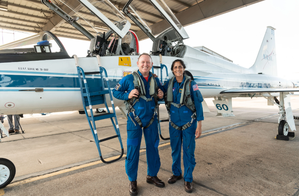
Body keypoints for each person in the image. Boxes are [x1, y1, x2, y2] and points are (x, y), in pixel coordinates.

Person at [112, 53, 165, 196]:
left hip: (151, 120)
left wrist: (161, 95)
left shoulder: (155, 79)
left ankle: (152, 175)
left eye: (148, 62)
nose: (145, 65)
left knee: (153, 148)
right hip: (134, 120)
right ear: (138, 63)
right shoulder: (129, 79)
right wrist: (127, 95)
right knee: (133, 150)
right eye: (143, 62)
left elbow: (162, 92)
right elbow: (115, 92)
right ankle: (132, 180)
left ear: (151, 64)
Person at [163, 59, 204, 193]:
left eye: (180, 67)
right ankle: (176, 173)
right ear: (173, 70)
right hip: (174, 123)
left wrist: (199, 125)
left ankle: (188, 178)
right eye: (175, 67)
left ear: (183, 68)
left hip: (189, 123)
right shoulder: (169, 84)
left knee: (188, 151)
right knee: (175, 150)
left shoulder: (192, 84)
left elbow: (198, 105)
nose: (178, 69)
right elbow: (159, 91)